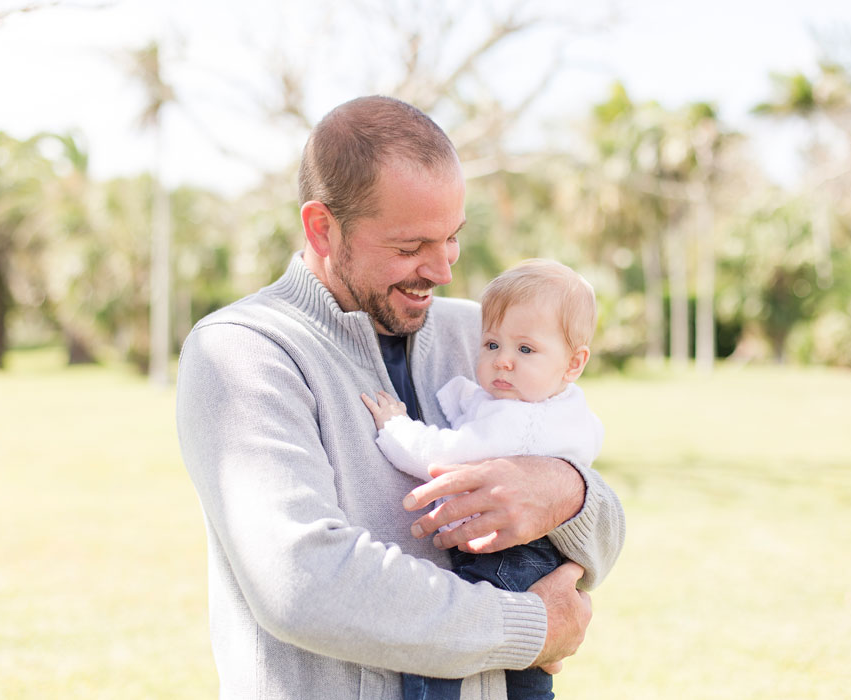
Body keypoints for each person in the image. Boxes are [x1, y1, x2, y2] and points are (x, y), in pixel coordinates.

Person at [175, 95, 625, 700]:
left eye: (452, 238)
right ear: (322, 229)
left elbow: (605, 532)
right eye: (411, 247)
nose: (441, 270)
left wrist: (563, 491)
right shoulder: (242, 352)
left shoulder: (484, 338)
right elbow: (301, 582)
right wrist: (527, 627)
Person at [361, 259, 604, 700]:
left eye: (525, 350)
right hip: (542, 561)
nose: (503, 361)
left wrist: (394, 426)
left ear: (573, 363)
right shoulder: (569, 409)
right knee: (528, 681)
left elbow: (443, 457)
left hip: (506, 560)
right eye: (491, 344)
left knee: (441, 651)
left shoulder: (515, 421)